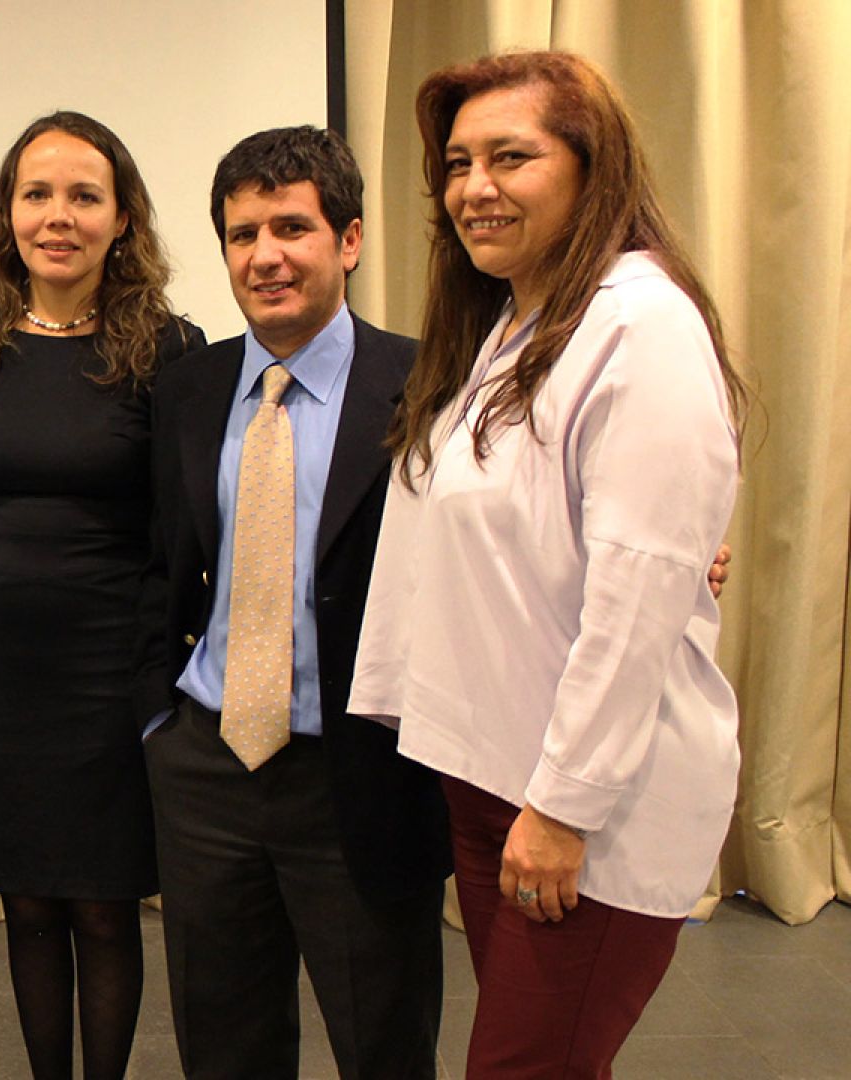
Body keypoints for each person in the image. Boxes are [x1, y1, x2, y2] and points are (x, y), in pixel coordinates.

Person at [349, 51, 746, 1078]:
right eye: (458, 164)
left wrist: (566, 808)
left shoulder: (640, 323)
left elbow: (635, 592)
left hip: (585, 806)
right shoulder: (513, 322)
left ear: (591, 166)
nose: (475, 188)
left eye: (510, 157)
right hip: (496, 779)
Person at [132, 126, 449, 1079]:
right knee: (224, 1046)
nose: (264, 255)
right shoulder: (188, 389)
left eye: (291, 228)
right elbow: (162, 561)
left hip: (358, 770)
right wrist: (158, 721)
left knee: (382, 1044)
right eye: (243, 235)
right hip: (207, 766)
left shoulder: (430, 382)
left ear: (348, 240)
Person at [0, 110, 204, 1078]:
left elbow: (178, 526)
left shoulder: (171, 348)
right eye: (36, 194)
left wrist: (159, 677)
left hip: (110, 670)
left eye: (84, 196)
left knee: (103, 902)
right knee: (28, 903)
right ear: (7, 215)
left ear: (121, 217)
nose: (59, 216)